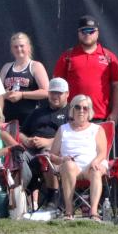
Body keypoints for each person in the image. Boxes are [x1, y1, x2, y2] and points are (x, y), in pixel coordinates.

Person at [48, 95, 108, 221]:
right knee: (68, 166)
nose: (81, 111)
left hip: (91, 166)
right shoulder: (63, 129)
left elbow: (103, 152)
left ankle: (94, 211)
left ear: (89, 111)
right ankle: (69, 211)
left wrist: (95, 162)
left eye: (85, 108)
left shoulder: (97, 129)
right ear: (72, 110)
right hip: (70, 168)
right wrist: (63, 160)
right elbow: (52, 156)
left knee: (97, 170)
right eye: (78, 107)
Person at [53, 15, 118, 122]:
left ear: (98, 33)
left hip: (100, 116)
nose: (87, 34)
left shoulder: (109, 57)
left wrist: (115, 112)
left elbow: (117, 86)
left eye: (91, 31)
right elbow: (56, 86)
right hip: (73, 116)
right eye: (84, 31)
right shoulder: (67, 56)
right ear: (78, 33)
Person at [17, 77, 70, 209]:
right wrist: (27, 140)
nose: (55, 96)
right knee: (18, 156)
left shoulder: (71, 112)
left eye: (59, 93)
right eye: (52, 92)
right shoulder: (38, 112)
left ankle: (53, 196)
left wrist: (48, 142)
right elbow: (20, 132)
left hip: (56, 152)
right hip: (31, 150)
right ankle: (19, 195)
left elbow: (72, 136)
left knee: (45, 156)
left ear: (67, 94)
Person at [0, 32, 50, 124]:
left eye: (22, 46)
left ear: (28, 47)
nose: (19, 49)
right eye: (15, 47)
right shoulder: (6, 67)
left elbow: (46, 92)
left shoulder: (35, 66)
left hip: (29, 118)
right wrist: (5, 95)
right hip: (8, 118)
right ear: (11, 49)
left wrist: (22, 95)